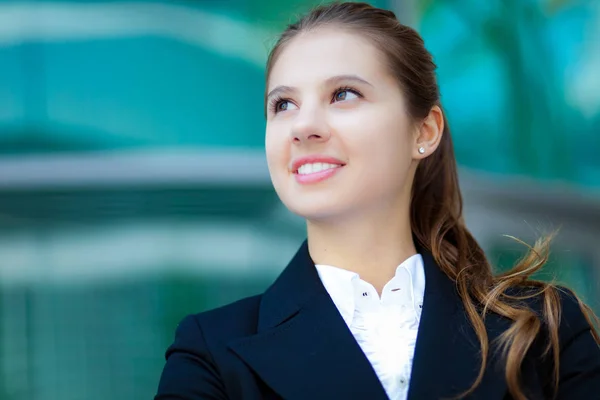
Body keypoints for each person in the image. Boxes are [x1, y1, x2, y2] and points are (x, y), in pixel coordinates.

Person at [154, 2, 600, 399]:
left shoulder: (544, 330)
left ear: (423, 131)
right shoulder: (209, 352)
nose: (302, 126)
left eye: (343, 94)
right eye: (283, 104)